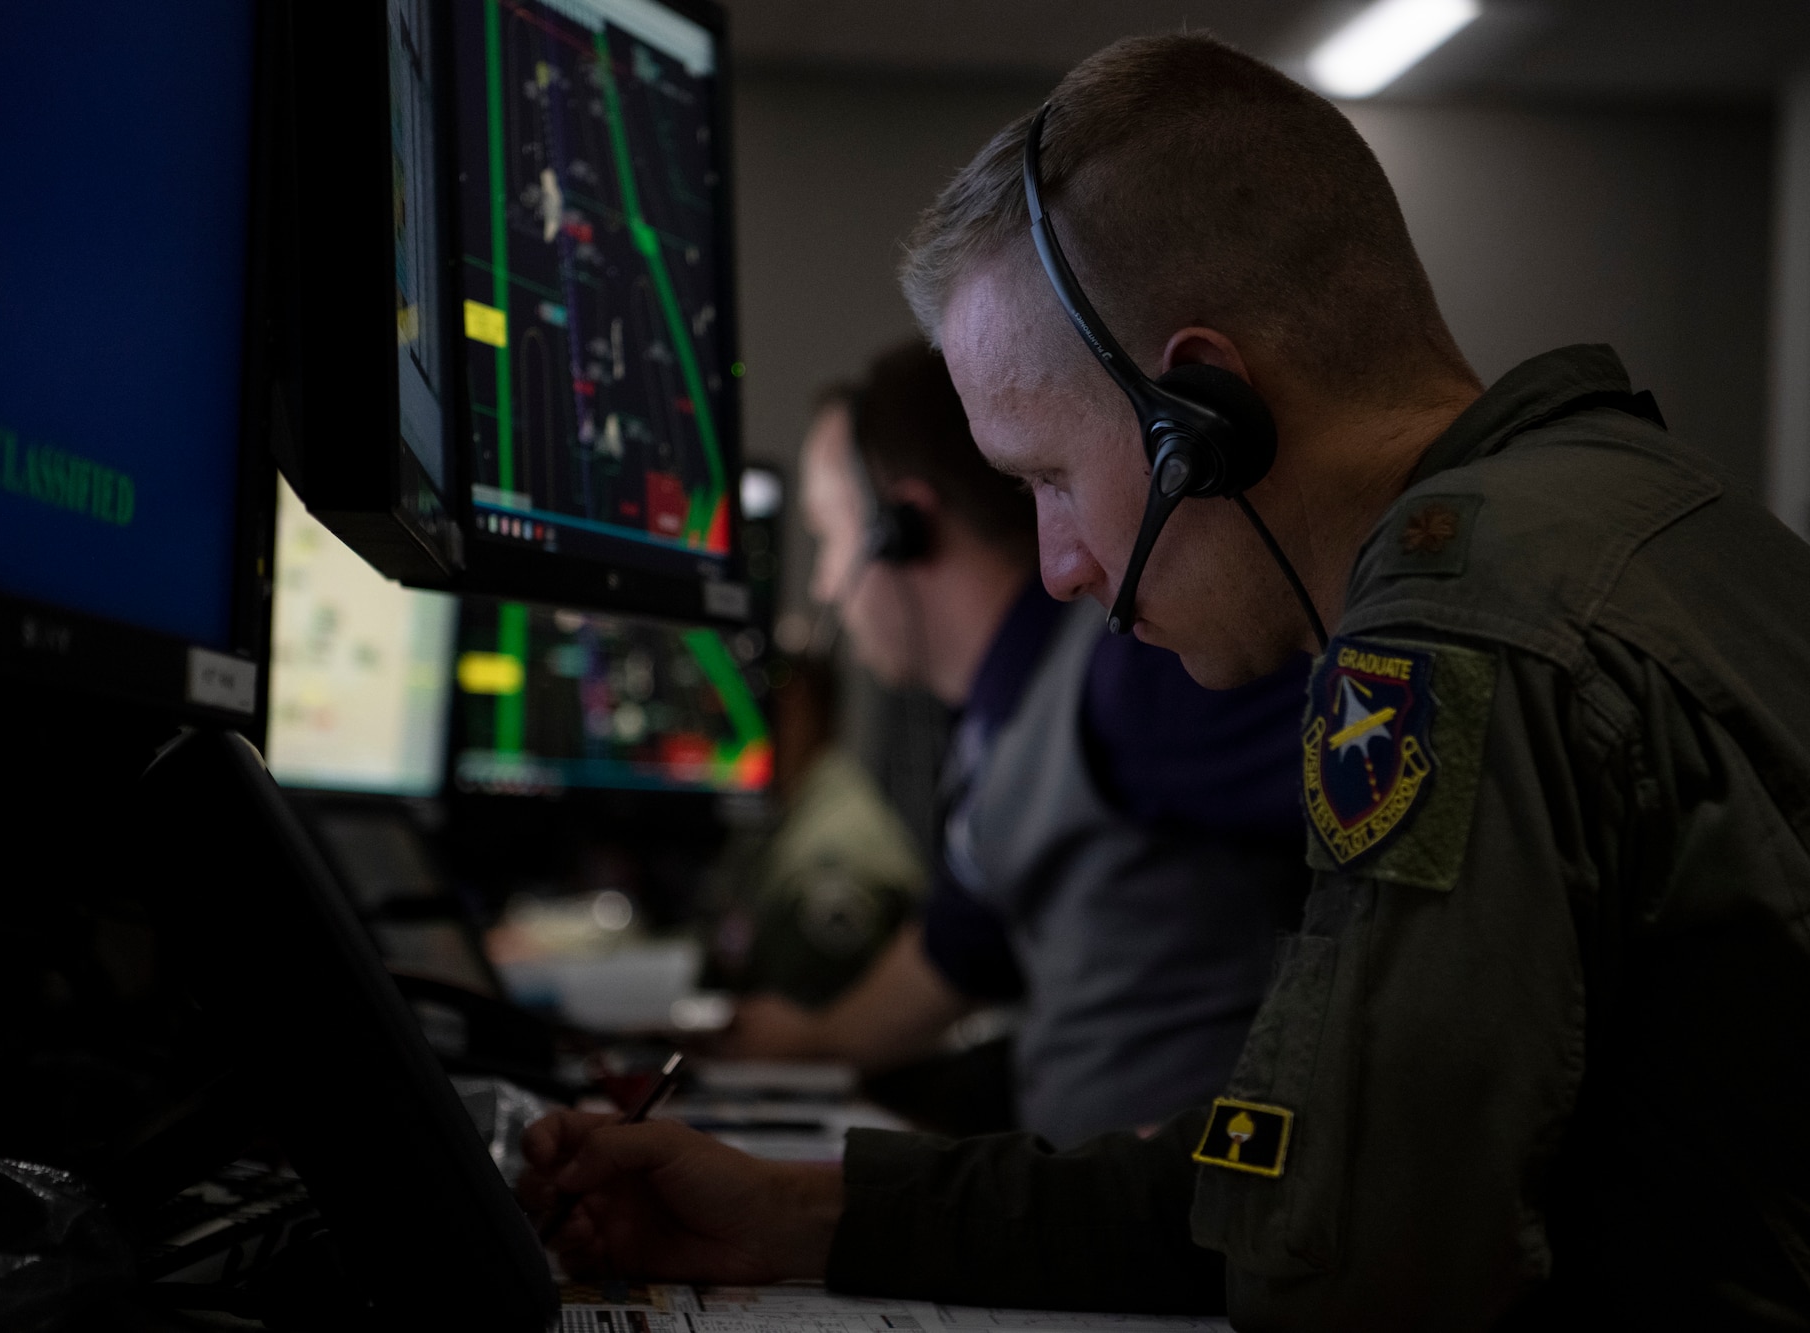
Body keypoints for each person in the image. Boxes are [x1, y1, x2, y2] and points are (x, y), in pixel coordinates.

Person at [518, 33, 1810, 1328]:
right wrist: (797, 1211)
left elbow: (1350, 1267)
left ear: (1206, 415)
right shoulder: (1664, 524)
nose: (1062, 567)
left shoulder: (1463, 629)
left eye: (1048, 481)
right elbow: (1308, 1172)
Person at [725, 341, 1309, 1148]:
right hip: (1081, 1215)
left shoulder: (1137, 676)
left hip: (1192, 1230)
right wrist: (816, 1038)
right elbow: (964, 943)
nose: (826, 585)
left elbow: (1402, 831)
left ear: (905, 530)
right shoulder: (1008, 715)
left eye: (829, 538)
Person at [706, 653, 928, 1010]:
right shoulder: (781, 811)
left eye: (736, 709)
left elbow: (815, 1017)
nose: (720, 732)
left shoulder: (832, 850)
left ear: (798, 711)